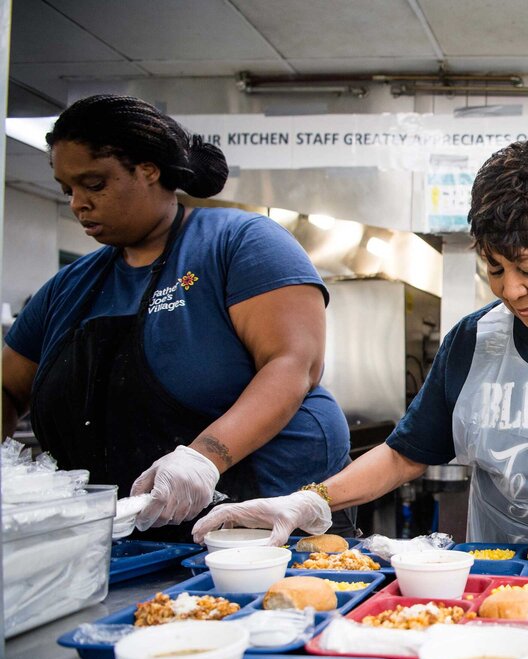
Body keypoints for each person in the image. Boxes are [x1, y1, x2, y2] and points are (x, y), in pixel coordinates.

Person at [194, 138, 528, 548]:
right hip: (506, 578)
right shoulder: (474, 341)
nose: (511, 291)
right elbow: (404, 455)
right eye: (495, 270)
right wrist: (311, 498)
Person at [1, 95, 353, 540]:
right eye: (67, 189)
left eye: (94, 183)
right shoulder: (67, 288)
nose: (78, 204)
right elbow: (7, 388)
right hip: (123, 532)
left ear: (148, 169)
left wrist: (202, 458)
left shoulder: (239, 243)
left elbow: (293, 363)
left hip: (261, 520)